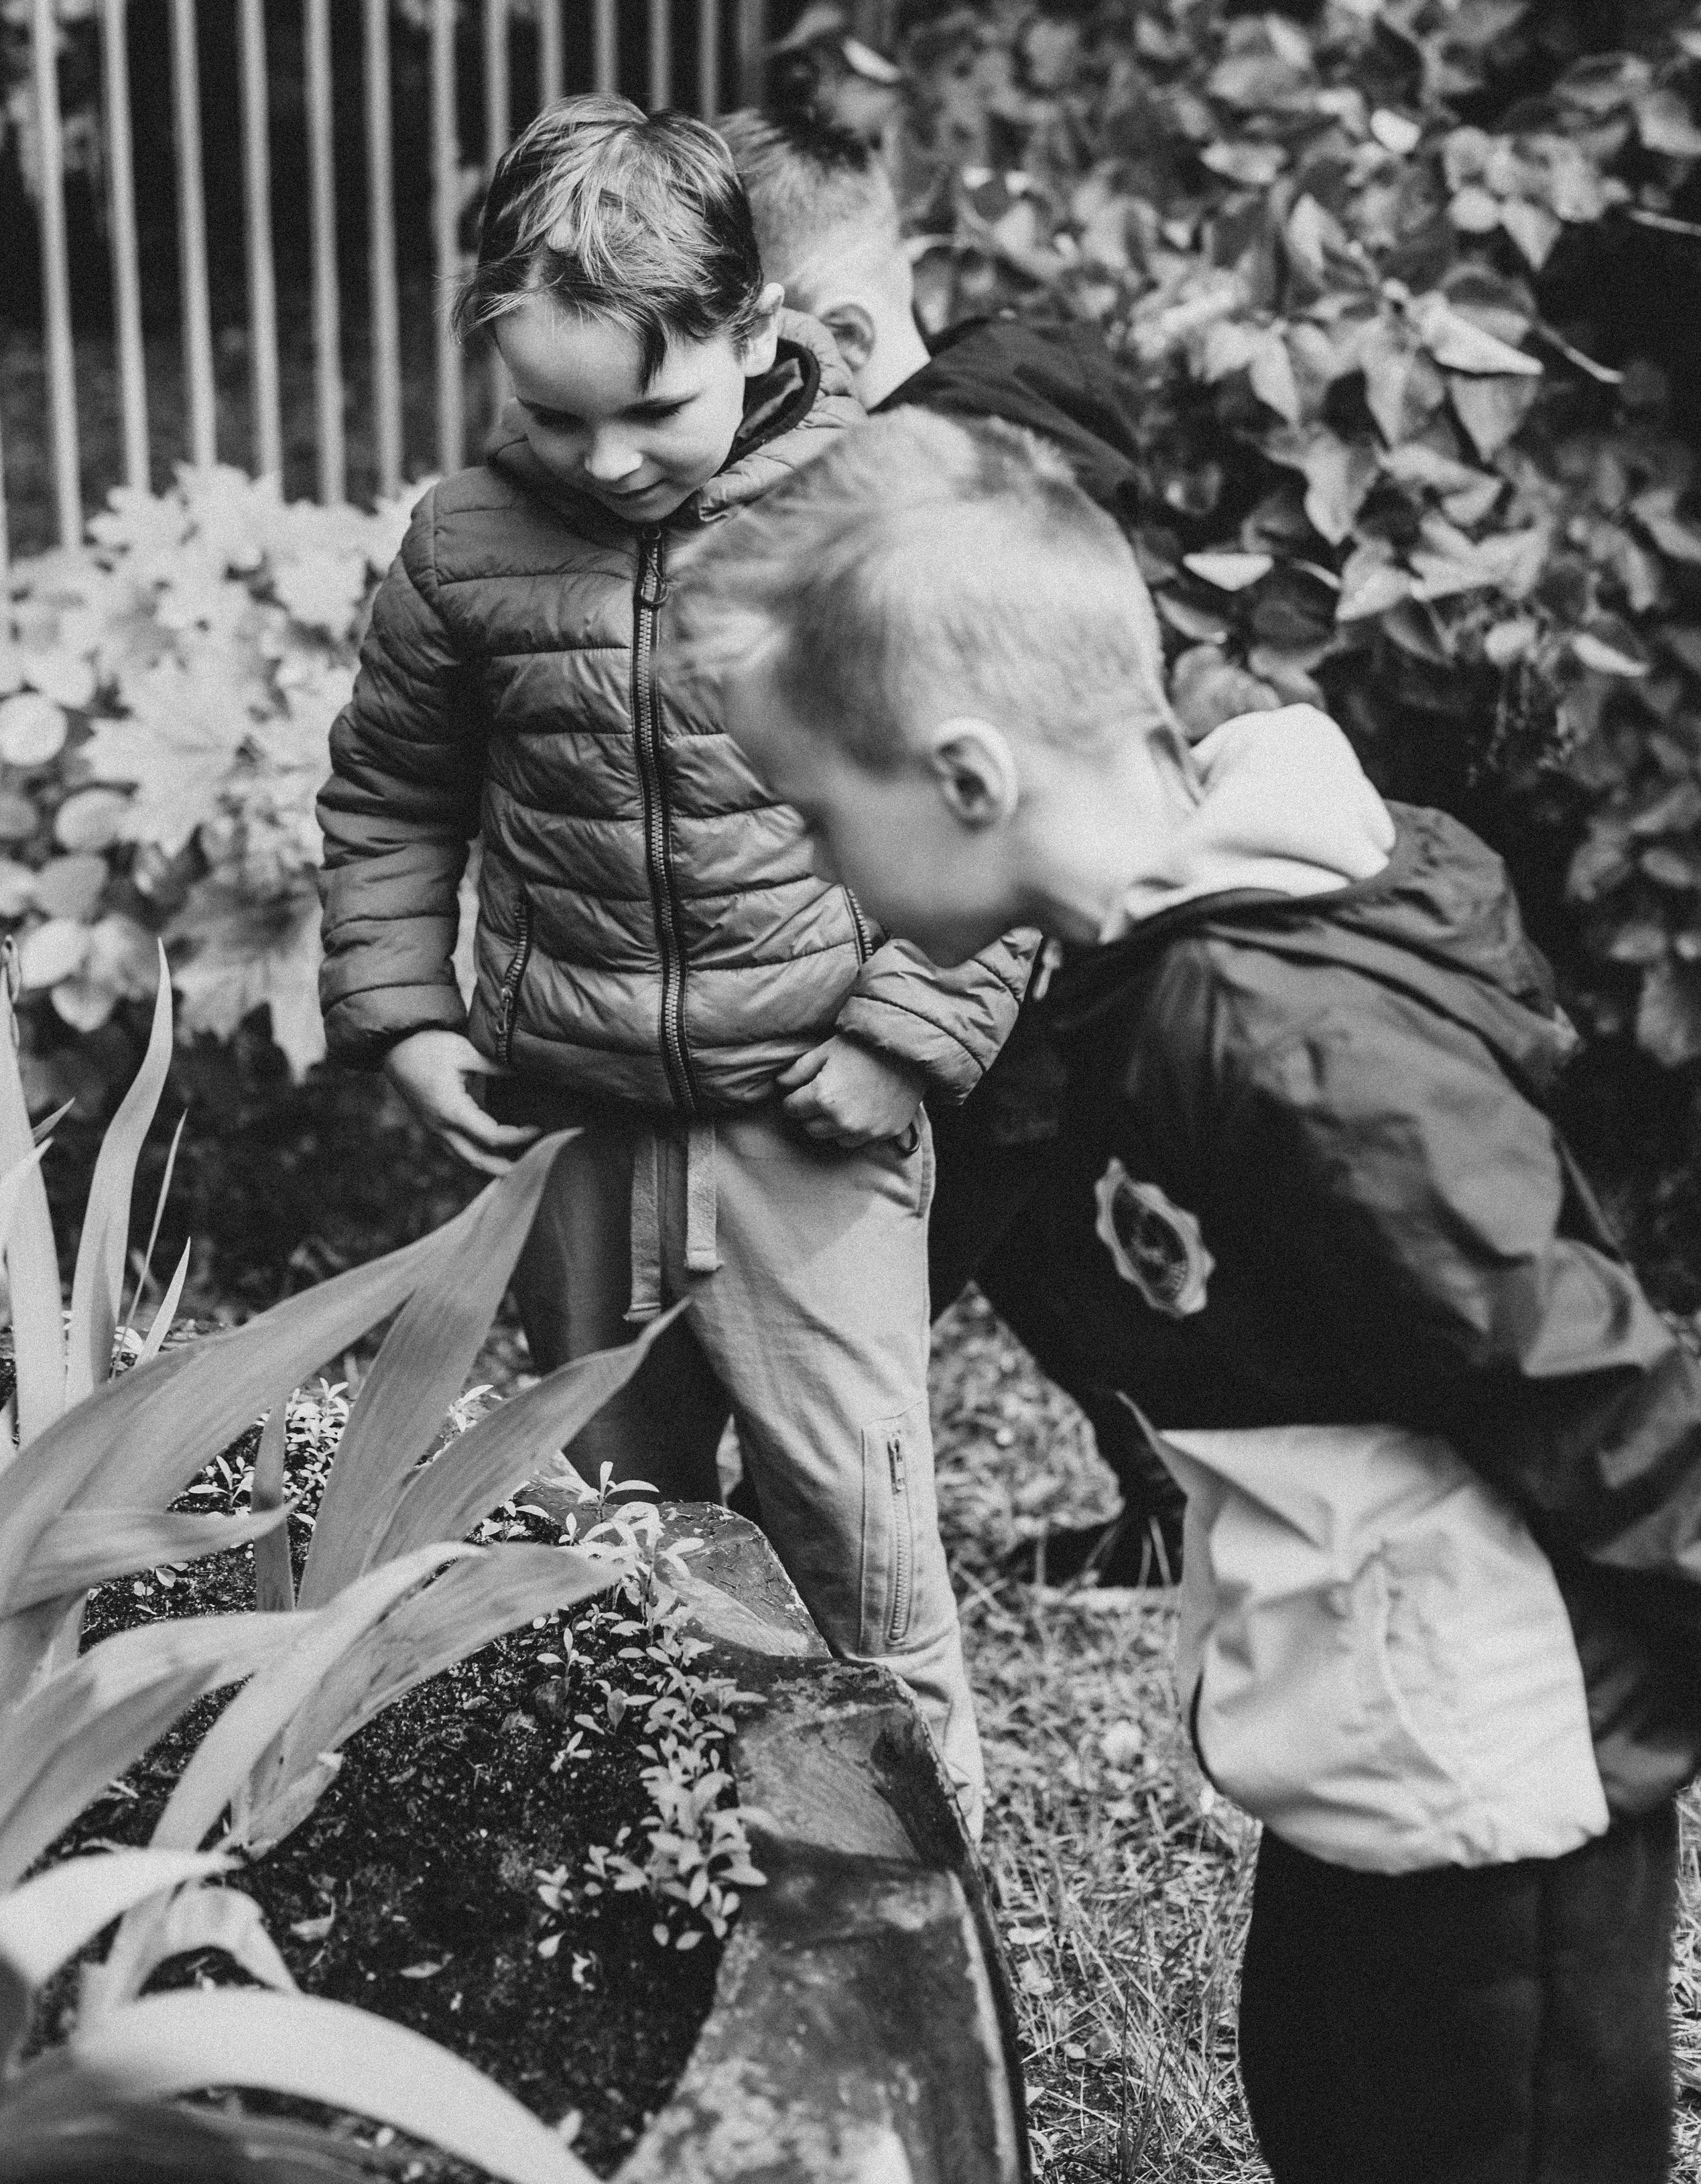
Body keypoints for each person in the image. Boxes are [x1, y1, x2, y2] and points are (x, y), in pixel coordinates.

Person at [671, 405, 1701, 2184]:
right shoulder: (1136, 969)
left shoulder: (1288, 1048)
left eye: (819, 817)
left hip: (1491, 1780)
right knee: (1325, 2097)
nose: (817, 866)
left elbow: (1586, 1379)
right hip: (1354, 1730)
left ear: (969, 779)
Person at [316, 100, 1034, 1833]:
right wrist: (404, 1016)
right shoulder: (466, 545)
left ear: (756, 329)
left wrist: (902, 1036)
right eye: (555, 413)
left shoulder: (873, 521)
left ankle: (923, 1868)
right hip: (575, 1126)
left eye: (655, 409)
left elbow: (1000, 793)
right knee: (612, 1524)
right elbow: (393, 797)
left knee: (854, 1523)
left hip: (813, 1127)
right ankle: (670, 1839)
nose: (610, 459)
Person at [720, 106, 1184, 1584]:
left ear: (836, 339)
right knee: (1053, 1253)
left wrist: (903, 1042)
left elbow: (1010, 806)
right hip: (1014, 1002)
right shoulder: (967, 436)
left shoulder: (944, 499)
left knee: (854, 1312)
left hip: (1002, 999)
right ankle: (1170, 1492)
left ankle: (784, 1550)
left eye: (746, 362)